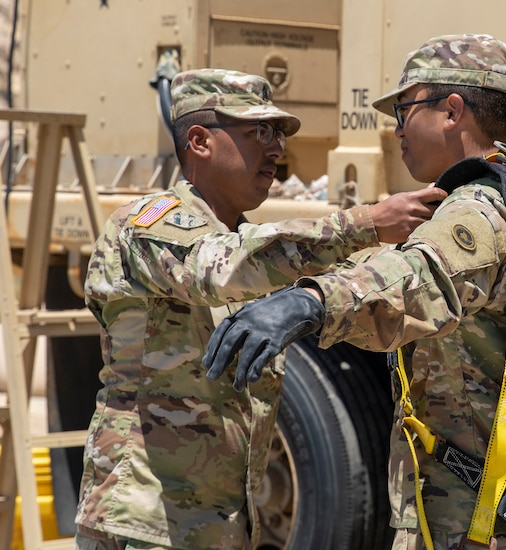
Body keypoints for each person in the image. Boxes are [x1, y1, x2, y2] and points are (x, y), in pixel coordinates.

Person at [203, 34, 506, 550]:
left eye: (402, 110)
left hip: (477, 523)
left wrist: (308, 303)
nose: (396, 130)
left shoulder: (469, 211)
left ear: (452, 111)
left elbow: (415, 282)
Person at [73, 68, 446, 550]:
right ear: (200, 140)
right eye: (258, 132)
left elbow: (330, 283)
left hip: (220, 525)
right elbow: (218, 269)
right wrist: (365, 222)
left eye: (278, 134)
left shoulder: (256, 252)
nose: (276, 149)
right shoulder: (148, 226)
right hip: (143, 521)